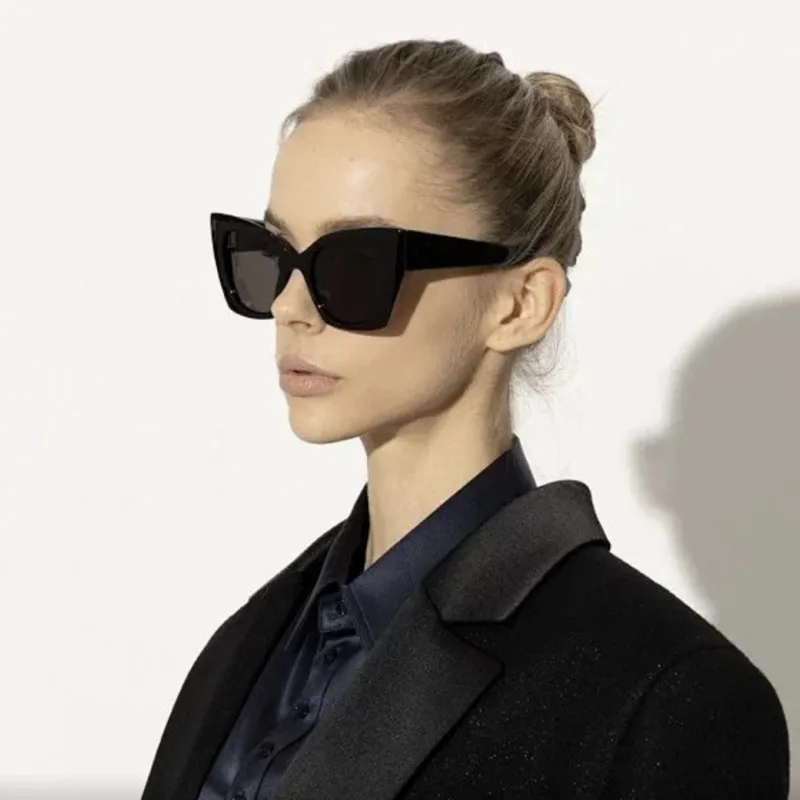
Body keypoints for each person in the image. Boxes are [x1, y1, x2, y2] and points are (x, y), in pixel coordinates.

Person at [141, 39, 790, 800]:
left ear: (520, 304)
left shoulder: (668, 700)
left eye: (355, 264)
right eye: (271, 254)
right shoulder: (252, 643)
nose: (289, 305)